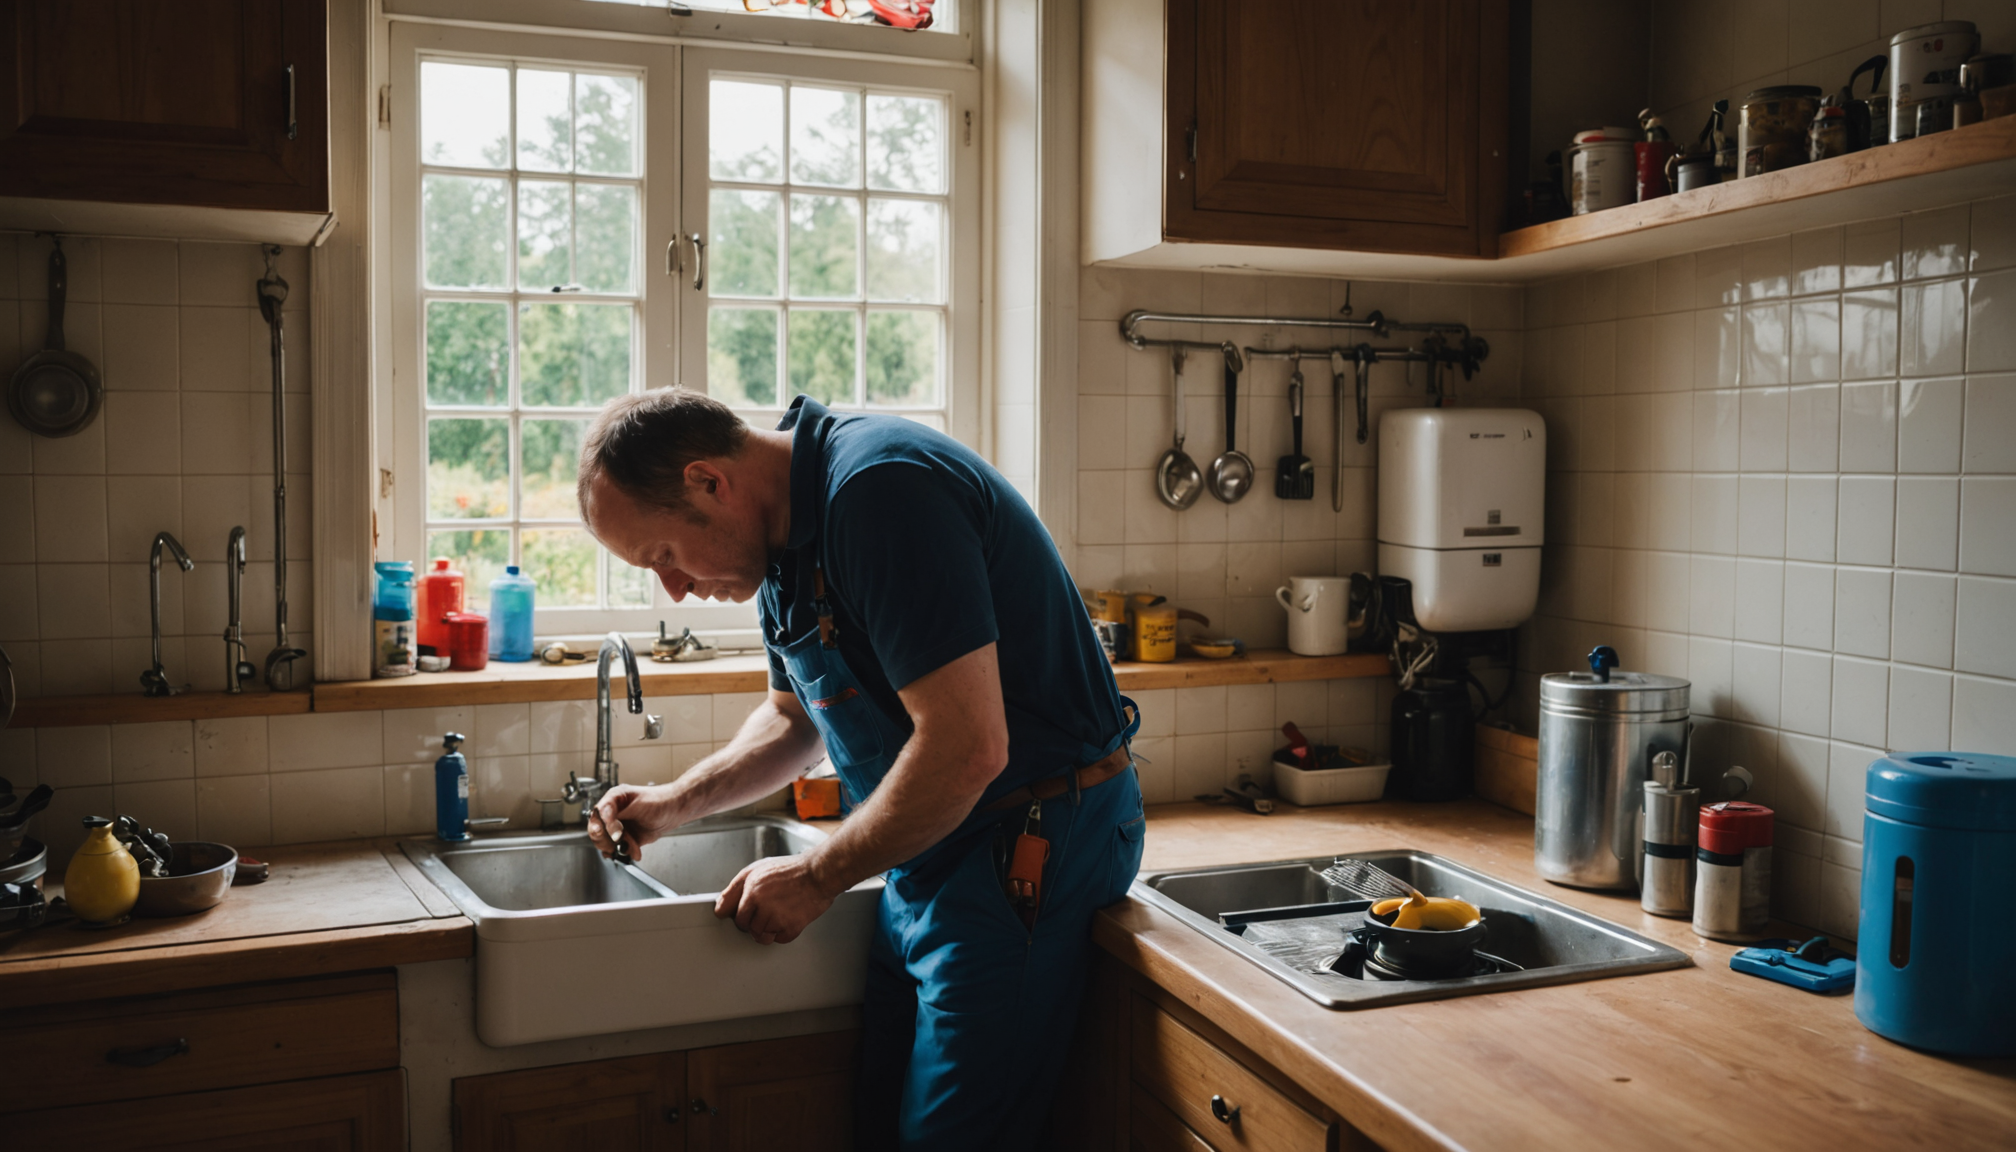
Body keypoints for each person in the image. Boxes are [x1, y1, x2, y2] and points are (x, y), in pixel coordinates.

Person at [576, 388, 1145, 1149]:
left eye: (666, 558)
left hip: (1027, 848)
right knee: (882, 1123)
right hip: (923, 854)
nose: (674, 589)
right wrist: (673, 803)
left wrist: (815, 879)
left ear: (709, 482)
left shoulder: (881, 492)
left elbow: (969, 748)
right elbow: (793, 718)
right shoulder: (780, 543)